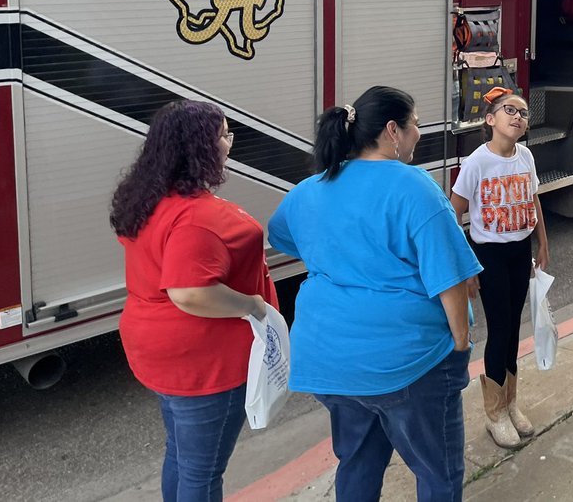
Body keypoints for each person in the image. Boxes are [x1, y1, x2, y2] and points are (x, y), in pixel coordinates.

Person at [268, 87, 481, 502]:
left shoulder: (312, 187)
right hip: (408, 361)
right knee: (438, 473)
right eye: (415, 123)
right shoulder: (413, 186)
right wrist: (460, 344)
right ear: (392, 131)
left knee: (358, 463)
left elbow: (282, 236)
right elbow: (449, 278)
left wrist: (336, 256)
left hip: (330, 361)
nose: (419, 132)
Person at [111, 99, 276, 502]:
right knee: (202, 475)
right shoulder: (197, 218)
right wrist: (254, 305)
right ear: (200, 147)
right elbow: (189, 292)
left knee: (182, 456)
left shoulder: (149, 198)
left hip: (155, 346)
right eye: (223, 135)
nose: (229, 143)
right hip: (203, 363)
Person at [450, 87, 549, 448]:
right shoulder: (477, 162)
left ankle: (510, 403)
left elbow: (533, 199)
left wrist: (543, 243)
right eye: (510, 110)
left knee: (513, 330)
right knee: (500, 329)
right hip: (488, 255)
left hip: (519, 252)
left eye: (523, 113)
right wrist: (467, 267)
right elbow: (454, 211)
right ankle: (494, 414)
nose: (518, 117)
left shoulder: (525, 156)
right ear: (490, 119)